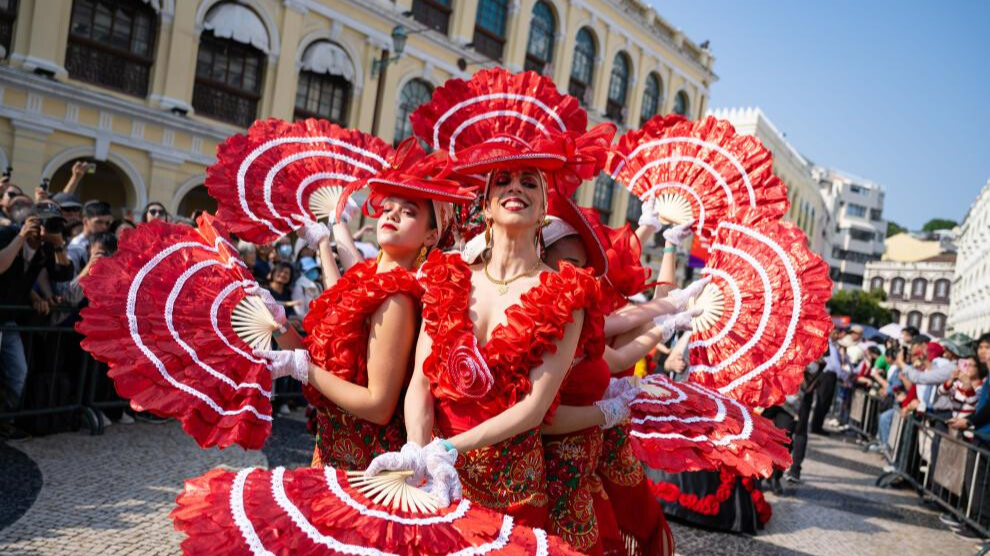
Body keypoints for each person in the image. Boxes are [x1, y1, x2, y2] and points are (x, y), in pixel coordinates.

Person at [253, 137, 477, 470]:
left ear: (431, 236)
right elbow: (324, 368)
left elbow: (377, 405)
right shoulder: (367, 278)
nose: (393, 215)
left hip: (365, 469)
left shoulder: (397, 298)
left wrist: (301, 368)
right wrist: (281, 327)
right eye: (388, 208)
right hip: (330, 455)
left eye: (408, 212)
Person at [0, 201, 73, 435]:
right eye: (47, 223)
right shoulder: (8, 234)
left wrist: (59, 244)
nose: (49, 229)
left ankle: (5, 419)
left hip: (9, 318)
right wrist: (21, 236)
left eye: (55, 224)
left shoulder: (47, 248)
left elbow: (63, 274)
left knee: (17, 373)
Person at [810, 328, 842, 434]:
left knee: (826, 402)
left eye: (837, 333)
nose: (837, 335)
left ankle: (818, 425)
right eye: (835, 333)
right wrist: (843, 376)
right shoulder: (828, 345)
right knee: (822, 401)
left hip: (830, 376)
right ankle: (816, 426)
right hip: (826, 375)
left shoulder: (834, 346)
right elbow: (834, 364)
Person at [67, 200, 112, 273]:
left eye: (107, 223)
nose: (104, 227)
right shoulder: (76, 246)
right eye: (99, 222)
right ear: (85, 221)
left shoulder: (110, 239)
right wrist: (90, 266)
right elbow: (70, 283)